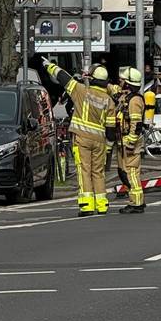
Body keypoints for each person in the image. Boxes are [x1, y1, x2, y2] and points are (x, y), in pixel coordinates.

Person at [44, 58, 111, 216]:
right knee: (98, 172)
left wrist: (49, 66)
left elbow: (64, 78)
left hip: (82, 139)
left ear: (91, 78)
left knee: (84, 171)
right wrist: (108, 147)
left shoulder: (81, 91)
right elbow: (111, 128)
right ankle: (101, 204)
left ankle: (87, 205)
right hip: (100, 141)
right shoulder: (109, 101)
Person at [116, 66, 149, 215]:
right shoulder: (127, 97)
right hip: (123, 141)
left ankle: (137, 202)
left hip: (130, 143)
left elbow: (136, 125)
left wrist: (130, 143)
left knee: (132, 172)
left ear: (128, 83)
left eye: (123, 80)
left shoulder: (135, 101)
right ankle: (135, 200)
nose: (120, 82)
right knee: (124, 172)